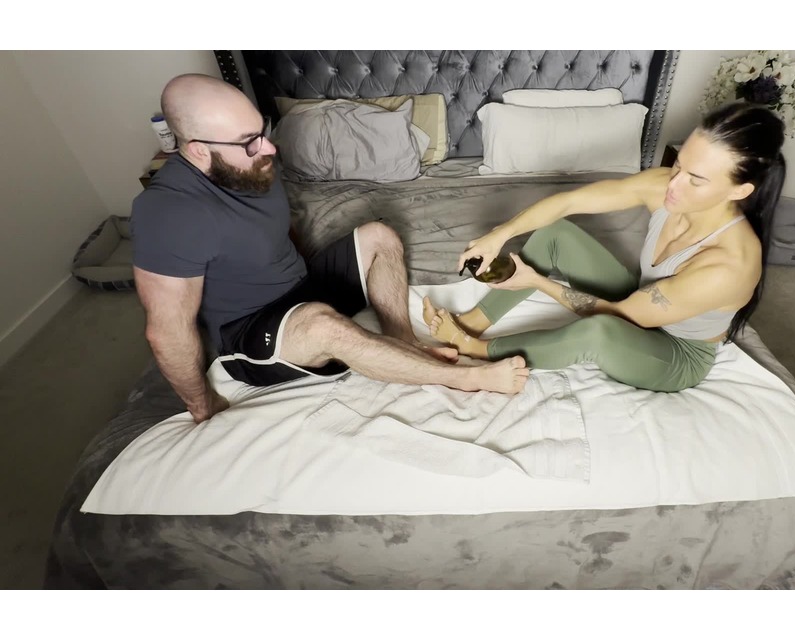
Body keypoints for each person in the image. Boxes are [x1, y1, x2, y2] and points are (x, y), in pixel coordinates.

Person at [132, 74, 528, 424]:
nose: (268, 148)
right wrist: (203, 407)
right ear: (199, 150)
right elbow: (166, 333)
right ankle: (463, 379)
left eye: (262, 130)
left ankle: (405, 345)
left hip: (300, 288)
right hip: (249, 331)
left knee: (380, 235)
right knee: (322, 324)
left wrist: (314, 273)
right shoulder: (168, 213)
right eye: (249, 142)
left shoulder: (252, 164)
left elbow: (276, 228)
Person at [423, 101, 786, 393]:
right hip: (641, 302)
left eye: (696, 180)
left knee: (598, 333)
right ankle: (473, 321)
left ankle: (475, 348)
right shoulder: (665, 185)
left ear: (740, 190)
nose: (674, 184)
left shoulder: (728, 266)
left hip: (676, 353)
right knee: (556, 233)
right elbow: (569, 202)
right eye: (678, 164)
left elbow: (615, 316)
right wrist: (500, 234)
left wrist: (536, 281)